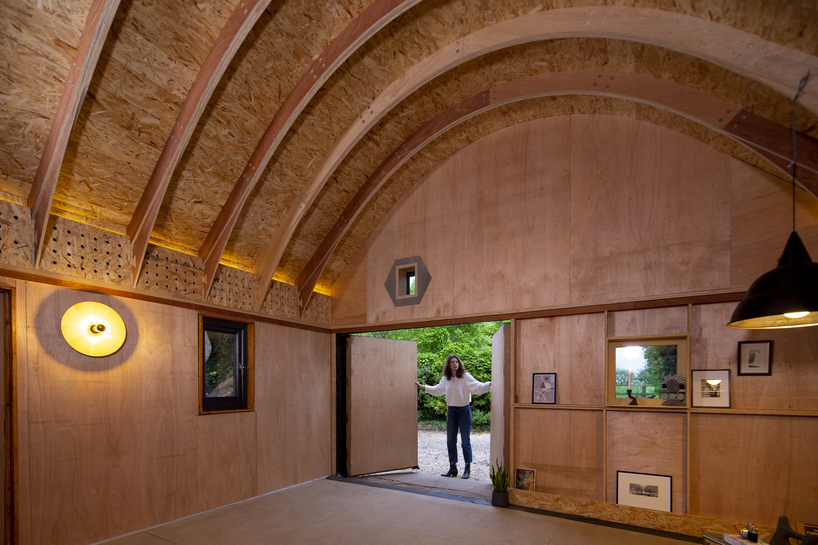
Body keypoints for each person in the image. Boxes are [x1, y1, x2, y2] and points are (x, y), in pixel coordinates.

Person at [416, 354, 491, 479]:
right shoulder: (446, 378)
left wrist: (489, 384)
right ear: (448, 365)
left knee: (465, 441)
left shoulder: (465, 377)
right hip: (451, 412)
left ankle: (467, 468)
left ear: (459, 363)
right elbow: (438, 390)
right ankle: (453, 467)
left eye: (456, 362)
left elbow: (477, 387)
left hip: (464, 412)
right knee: (450, 441)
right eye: (452, 362)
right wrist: (424, 387)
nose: (455, 364)